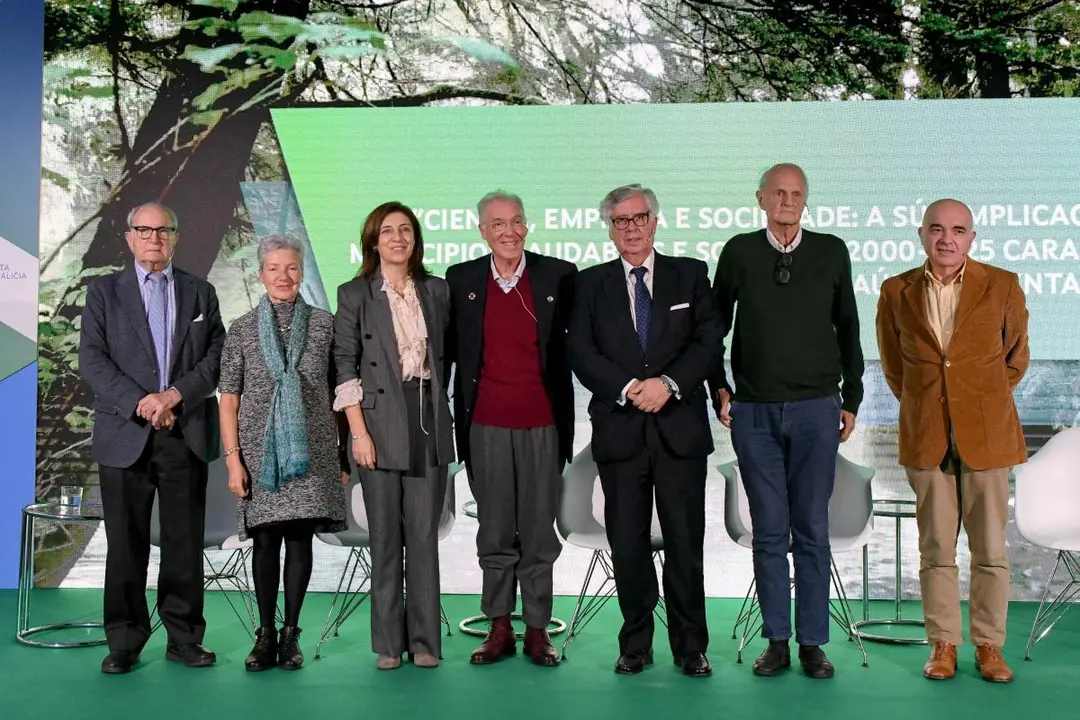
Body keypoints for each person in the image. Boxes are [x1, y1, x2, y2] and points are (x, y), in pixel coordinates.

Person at [710, 163, 864, 679]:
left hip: (817, 408)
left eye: (796, 193)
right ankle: (776, 639)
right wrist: (719, 386)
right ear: (760, 199)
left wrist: (853, 397)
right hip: (752, 412)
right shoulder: (737, 252)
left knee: (812, 532)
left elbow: (849, 328)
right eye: (778, 193)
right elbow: (713, 328)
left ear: (805, 200)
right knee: (770, 533)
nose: (787, 201)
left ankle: (813, 644)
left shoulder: (831, 251)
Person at [568, 184, 721, 677]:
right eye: (620, 221)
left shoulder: (691, 274)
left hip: (679, 432)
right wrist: (632, 386)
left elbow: (709, 339)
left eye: (639, 218)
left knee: (684, 543)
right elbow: (581, 352)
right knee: (627, 546)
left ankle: (690, 646)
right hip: (620, 431)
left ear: (655, 221)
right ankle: (635, 644)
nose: (631, 228)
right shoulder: (589, 284)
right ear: (609, 228)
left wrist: (670, 384)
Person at [876, 198, 1029, 684]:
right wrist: (929, 406)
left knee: (990, 550)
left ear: (971, 238)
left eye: (958, 230)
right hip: (927, 437)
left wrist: (975, 402)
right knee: (936, 547)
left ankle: (989, 647)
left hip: (988, 436)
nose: (947, 238)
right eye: (937, 229)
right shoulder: (895, 290)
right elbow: (893, 365)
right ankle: (943, 644)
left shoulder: (1002, 284)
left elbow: (1016, 358)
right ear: (921, 234)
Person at [79, 202, 226, 674]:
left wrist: (175, 396)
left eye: (163, 230)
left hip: (184, 431)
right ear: (129, 238)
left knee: (184, 543)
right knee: (126, 544)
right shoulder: (104, 292)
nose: (154, 238)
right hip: (127, 431)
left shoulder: (201, 293)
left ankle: (183, 639)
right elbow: (93, 360)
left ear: (176, 238)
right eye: (144, 230)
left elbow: (217, 356)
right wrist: (144, 402)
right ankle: (124, 640)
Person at [446, 191, 576, 667]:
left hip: (543, 424)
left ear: (527, 226)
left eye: (517, 221)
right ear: (482, 230)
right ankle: (499, 627)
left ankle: (537, 630)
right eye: (497, 223)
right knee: (496, 532)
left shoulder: (558, 276)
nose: (509, 231)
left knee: (539, 534)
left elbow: (575, 347)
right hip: (485, 427)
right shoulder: (461, 280)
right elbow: (445, 356)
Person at [332, 202, 456, 670]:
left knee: (423, 536)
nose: (398, 238)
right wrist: (358, 432)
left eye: (406, 230)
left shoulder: (437, 290)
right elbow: (344, 367)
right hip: (375, 424)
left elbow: (452, 358)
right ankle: (388, 643)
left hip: (427, 419)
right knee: (384, 538)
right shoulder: (354, 294)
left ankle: (424, 641)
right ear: (373, 241)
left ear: (415, 240)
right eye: (388, 231)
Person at [217, 234, 349, 672]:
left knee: (299, 539)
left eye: (291, 267)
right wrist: (233, 460)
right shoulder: (240, 330)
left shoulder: (326, 325)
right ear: (260, 275)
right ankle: (265, 635)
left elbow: (341, 391)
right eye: (274, 268)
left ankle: (291, 634)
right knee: (266, 540)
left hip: (312, 453)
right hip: (258, 455)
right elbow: (229, 398)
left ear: (302, 271)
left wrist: (345, 453)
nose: (283, 276)